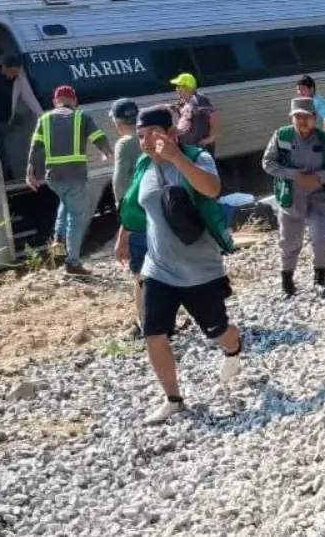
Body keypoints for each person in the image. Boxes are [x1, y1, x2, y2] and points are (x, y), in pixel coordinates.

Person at [115, 107, 243, 425]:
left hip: (200, 269)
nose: (146, 142)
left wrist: (175, 157)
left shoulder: (197, 157)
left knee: (218, 331)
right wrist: (123, 236)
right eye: (141, 136)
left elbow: (211, 189)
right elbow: (135, 205)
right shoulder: (144, 165)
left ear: (171, 133)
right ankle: (173, 400)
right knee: (153, 333)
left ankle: (233, 348)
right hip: (158, 268)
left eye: (152, 134)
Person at [261, 97, 325, 296]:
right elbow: (268, 163)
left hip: (318, 198)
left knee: (320, 237)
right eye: (297, 116)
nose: (302, 121)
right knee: (289, 242)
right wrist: (293, 175)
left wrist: (319, 177)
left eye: (306, 116)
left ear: (314, 118)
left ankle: (319, 280)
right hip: (291, 198)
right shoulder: (281, 136)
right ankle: (287, 282)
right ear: (292, 118)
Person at [26, 85, 113, 276]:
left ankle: (58, 236)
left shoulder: (44, 119)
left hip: (53, 177)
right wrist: (107, 152)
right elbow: (98, 137)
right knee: (75, 217)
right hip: (75, 174)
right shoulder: (81, 116)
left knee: (65, 202)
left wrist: (30, 172)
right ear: (74, 100)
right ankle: (72, 262)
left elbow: (36, 147)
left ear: (55, 101)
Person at [110, 98, 146, 335]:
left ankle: (145, 323)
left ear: (117, 122)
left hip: (137, 214)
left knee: (141, 272)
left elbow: (120, 181)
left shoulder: (125, 143)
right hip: (157, 210)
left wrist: (123, 218)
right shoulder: (150, 136)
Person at [169, 73, 220, 156]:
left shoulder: (198, 100)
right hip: (187, 148)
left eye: (179, 87)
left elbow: (215, 115)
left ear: (188, 88)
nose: (176, 89)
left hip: (200, 149)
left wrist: (210, 139)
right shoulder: (182, 102)